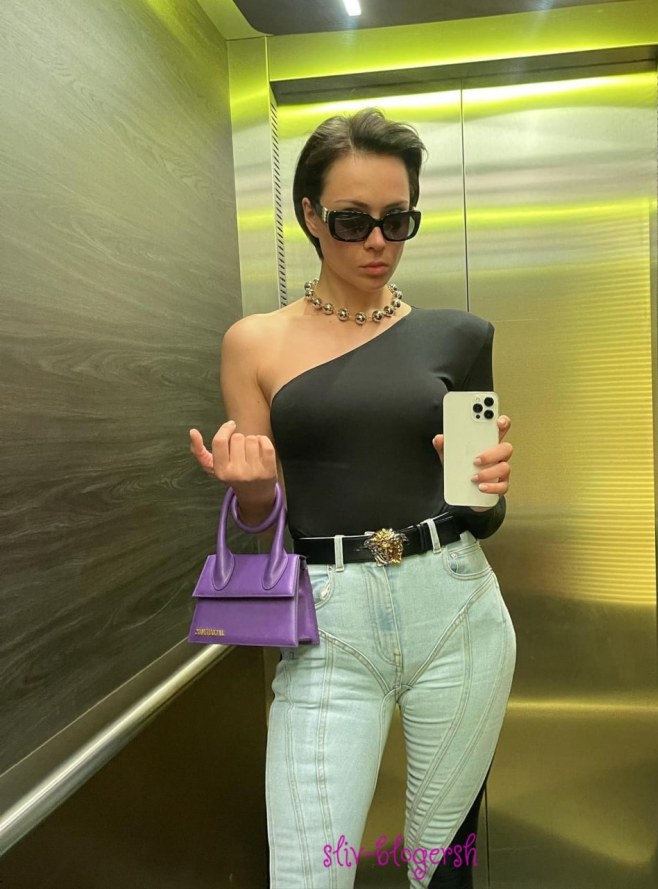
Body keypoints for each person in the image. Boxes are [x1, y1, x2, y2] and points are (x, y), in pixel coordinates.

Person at [189, 108, 516, 889]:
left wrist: (486, 488)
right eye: (352, 221)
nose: (378, 242)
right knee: (309, 871)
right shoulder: (254, 342)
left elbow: (484, 516)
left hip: (458, 608)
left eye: (398, 220)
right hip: (329, 624)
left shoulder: (461, 336)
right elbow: (262, 525)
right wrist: (255, 490)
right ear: (310, 214)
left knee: (443, 863)